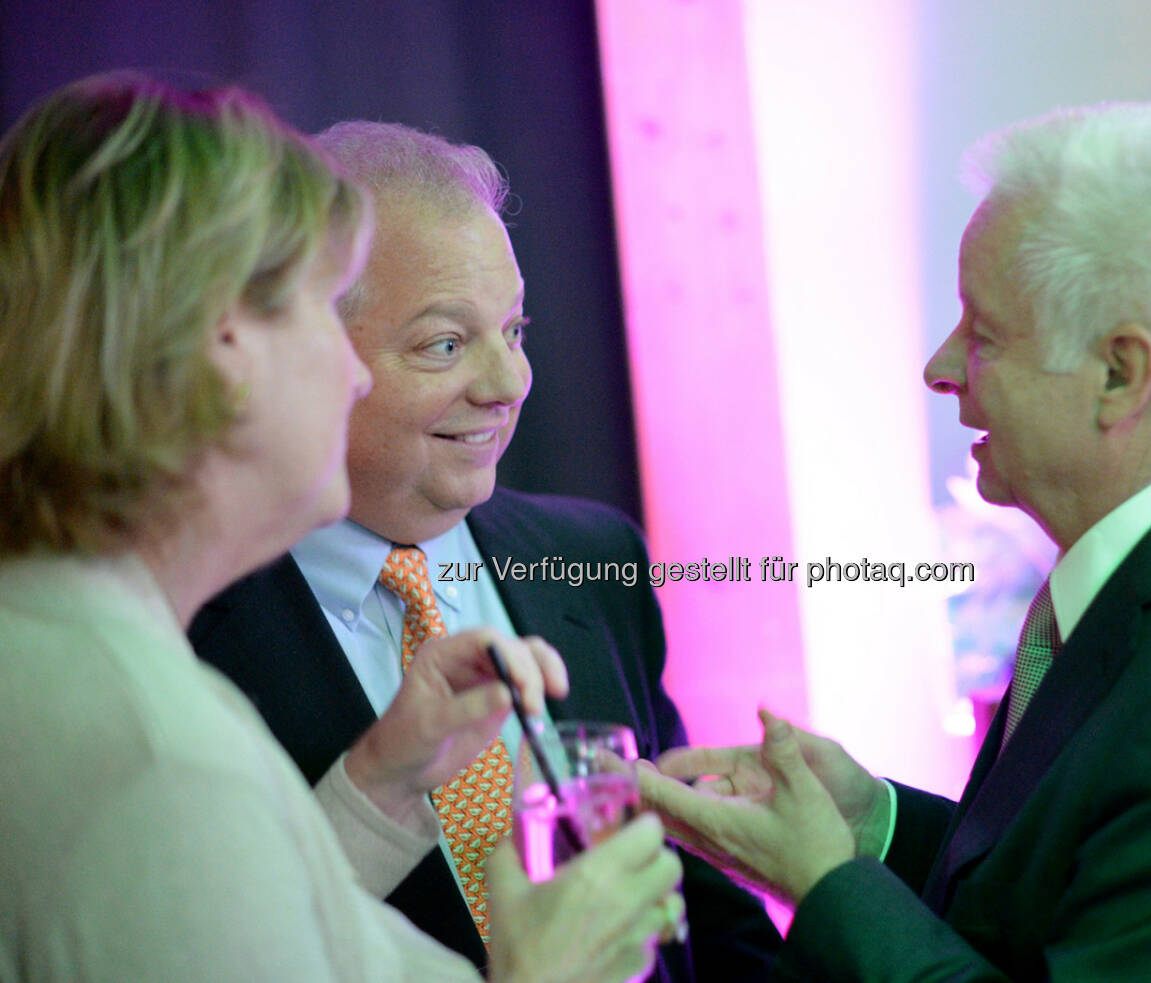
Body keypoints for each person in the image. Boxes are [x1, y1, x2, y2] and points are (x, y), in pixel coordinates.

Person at [639, 102, 1151, 981]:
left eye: (983, 335)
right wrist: (873, 822)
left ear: (1119, 373)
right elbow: (1077, 884)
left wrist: (824, 882)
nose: (940, 368)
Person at [0, 72, 682, 983]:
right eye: (316, 310)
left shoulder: (71, 650)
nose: (349, 375)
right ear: (223, 346)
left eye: (514, 330)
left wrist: (383, 785)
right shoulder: (155, 743)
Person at [188, 121, 780, 980]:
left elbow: (698, 918)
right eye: (446, 344)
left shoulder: (593, 556)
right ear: (313, 352)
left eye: (516, 330)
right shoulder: (191, 621)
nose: (508, 385)